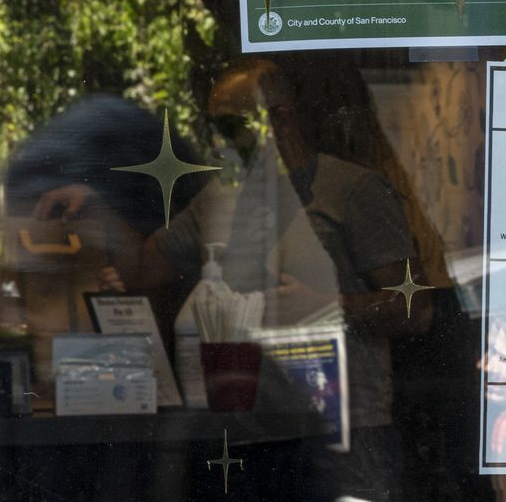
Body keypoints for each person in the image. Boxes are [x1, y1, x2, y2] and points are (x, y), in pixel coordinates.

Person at [33, 60, 433, 502]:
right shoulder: (223, 201)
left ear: (279, 116)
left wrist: (328, 307)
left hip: (345, 430)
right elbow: (141, 271)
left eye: (228, 123)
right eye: (212, 125)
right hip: (248, 436)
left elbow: (417, 309)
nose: (217, 138)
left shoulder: (352, 191)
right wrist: (97, 208)